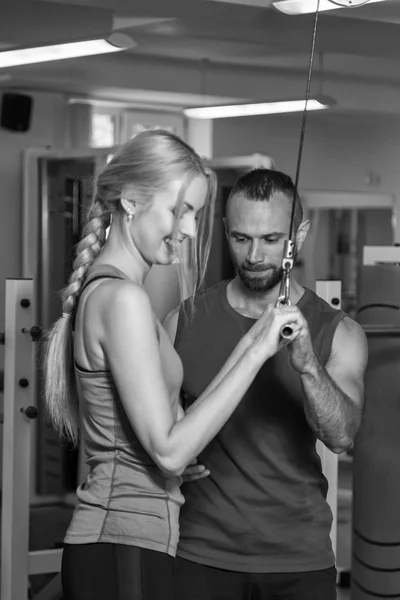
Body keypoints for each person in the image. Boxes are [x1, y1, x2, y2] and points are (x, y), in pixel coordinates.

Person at [43, 133, 306, 600]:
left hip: (135, 539)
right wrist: (257, 351)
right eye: (178, 210)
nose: (187, 228)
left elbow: (155, 442)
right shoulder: (121, 299)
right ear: (131, 202)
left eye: (197, 214)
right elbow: (168, 451)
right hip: (122, 540)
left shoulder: (124, 295)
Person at [165, 168, 368, 600]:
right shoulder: (183, 321)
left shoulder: (340, 331)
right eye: (241, 238)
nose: (254, 254)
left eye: (272, 239)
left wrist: (308, 363)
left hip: (298, 557)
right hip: (199, 552)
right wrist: (167, 457)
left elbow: (342, 435)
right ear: (224, 230)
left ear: (300, 235)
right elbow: (153, 430)